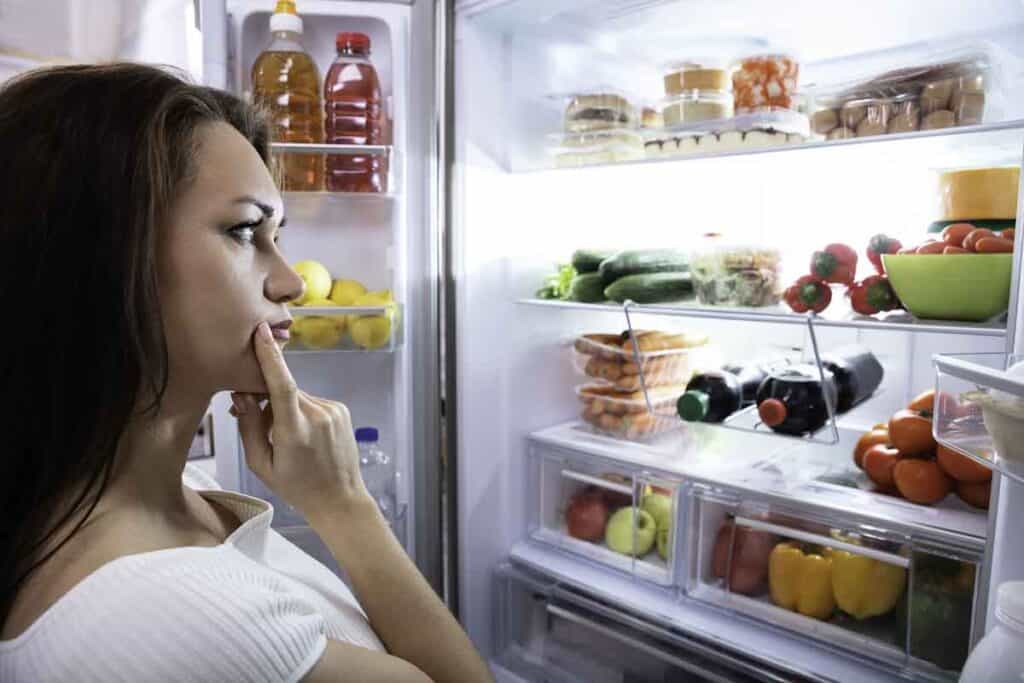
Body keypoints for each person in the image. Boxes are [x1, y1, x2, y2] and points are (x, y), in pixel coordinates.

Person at [0, 63, 493, 683]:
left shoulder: (170, 502)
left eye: (278, 236)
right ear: (102, 257)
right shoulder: (175, 619)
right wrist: (345, 506)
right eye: (243, 231)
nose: (290, 282)